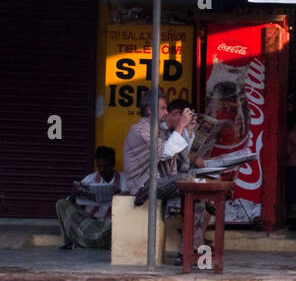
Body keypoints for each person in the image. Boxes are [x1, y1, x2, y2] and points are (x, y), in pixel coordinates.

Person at [123, 90, 204, 263]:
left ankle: (186, 253)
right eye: (163, 108)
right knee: (187, 180)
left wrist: (188, 130)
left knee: (198, 195)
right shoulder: (140, 130)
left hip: (160, 181)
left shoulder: (158, 130)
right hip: (143, 184)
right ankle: (156, 198)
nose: (165, 113)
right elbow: (165, 153)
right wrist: (181, 126)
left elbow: (180, 157)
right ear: (150, 110)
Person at [54, 146, 127, 250]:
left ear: (113, 164)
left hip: (111, 225)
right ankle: (79, 241)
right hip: (90, 224)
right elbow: (70, 201)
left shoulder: (125, 180)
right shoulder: (90, 179)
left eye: (105, 166)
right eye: (99, 166)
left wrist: (119, 197)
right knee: (61, 204)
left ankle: (85, 242)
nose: (102, 170)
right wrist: (74, 197)